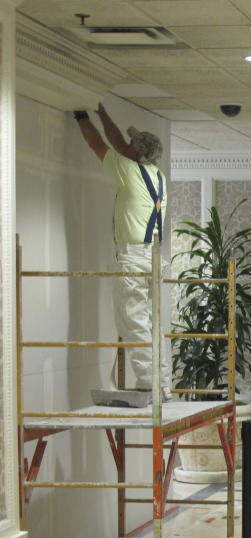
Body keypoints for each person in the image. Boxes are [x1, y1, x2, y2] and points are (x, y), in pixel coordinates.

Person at [74, 103, 171, 397]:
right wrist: (102, 113)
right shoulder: (157, 177)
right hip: (153, 258)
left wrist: (83, 117)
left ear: (137, 153)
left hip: (133, 258)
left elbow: (99, 145)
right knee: (152, 321)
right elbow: (120, 145)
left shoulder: (128, 172)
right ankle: (162, 382)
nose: (126, 145)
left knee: (134, 320)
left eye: (132, 144)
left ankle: (149, 383)